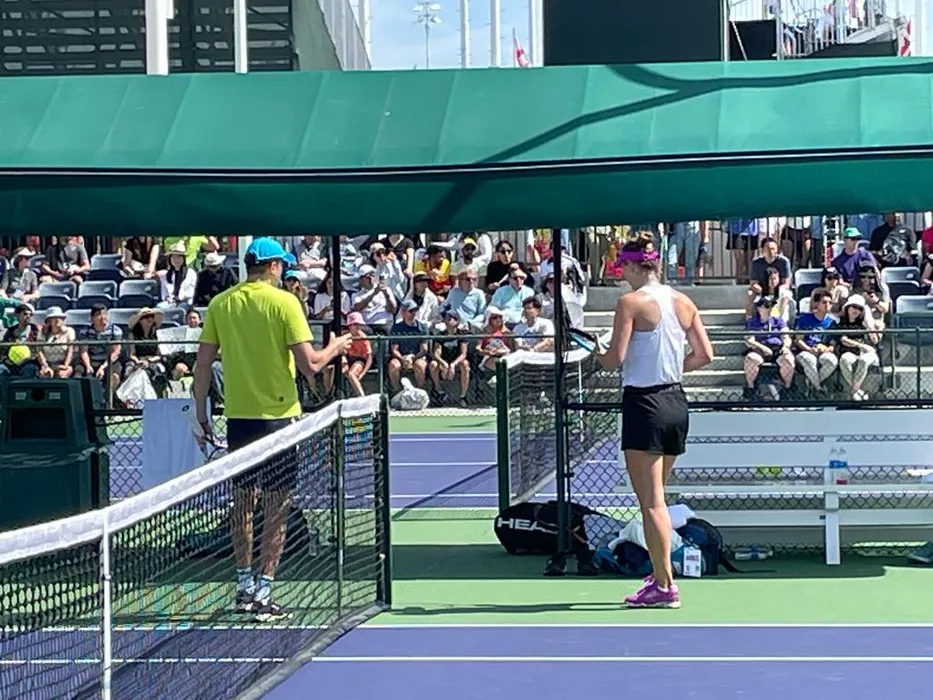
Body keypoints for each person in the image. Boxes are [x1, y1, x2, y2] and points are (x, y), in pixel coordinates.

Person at [193, 238, 352, 622]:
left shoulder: (221, 304)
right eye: (282, 265)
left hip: (239, 421)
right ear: (274, 267)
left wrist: (200, 413)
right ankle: (262, 590)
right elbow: (311, 364)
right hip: (280, 423)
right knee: (276, 509)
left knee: (243, 506)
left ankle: (244, 587)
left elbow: (202, 366)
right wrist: (336, 346)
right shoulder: (285, 303)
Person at [596, 232, 713, 609]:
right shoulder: (683, 301)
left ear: (633, 266)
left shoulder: (629, 303)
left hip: (645, 404)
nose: (622, 276)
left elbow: (614, 359)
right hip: (675, 402)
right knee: (655, 499)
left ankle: (665, 585)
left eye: (623, 269)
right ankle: (660, 574)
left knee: (651, 504)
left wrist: (596, 351)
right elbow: (704, 354)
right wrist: (669, 368)